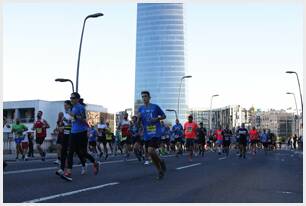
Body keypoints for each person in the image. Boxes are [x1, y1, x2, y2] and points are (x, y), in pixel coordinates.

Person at [62, 93, 99, 181]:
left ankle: (95, 162)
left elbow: (83, 119)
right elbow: (73, 121)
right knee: (70, 151)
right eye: (70, 98)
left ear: (78, 99)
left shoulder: (80, 107)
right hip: (73, 132)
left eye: (73, 98)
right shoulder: (73, 108)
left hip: (82, 132)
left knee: (83, 152)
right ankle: (69, 173)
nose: (71, 99)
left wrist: (73, 115)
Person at [137, 91, 167, 180]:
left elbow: (164, 116)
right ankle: (160, 170)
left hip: (156, 132)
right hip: (147, 134)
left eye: (145, 96)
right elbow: (139, 124)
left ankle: (161, 162)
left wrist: (157, 118)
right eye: (142, 97)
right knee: (152, 155)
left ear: (149, 97)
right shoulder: (141, 109)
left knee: (150, 150)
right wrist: (138, 119)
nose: (144, 98)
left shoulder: (155, 107)